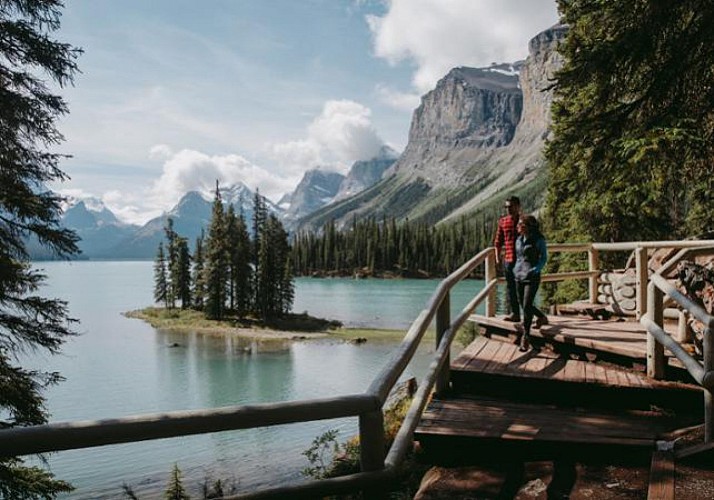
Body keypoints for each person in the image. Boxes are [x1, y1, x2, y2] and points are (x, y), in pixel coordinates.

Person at [514, 214, 549, 351]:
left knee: (527, 304)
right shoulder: (518, 240)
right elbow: (518, 257)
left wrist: (535, 270)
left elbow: (544, 258)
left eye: (520, 224)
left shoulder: (538, 240)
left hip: (532, 276)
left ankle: (526, 337)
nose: (518, 226)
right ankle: (541, 317)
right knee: (523, 303)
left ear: (528, 227)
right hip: (518, 275)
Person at [494, 196, 521, 322]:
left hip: (523, 261)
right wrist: (498, 258)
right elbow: (498, 242)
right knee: (510, 288)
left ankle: (529, 314)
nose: (508, 209)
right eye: (506, 207)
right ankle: (515, 313)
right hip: (509, 260)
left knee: (523, 288)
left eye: (510, 207)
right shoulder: (503, 221)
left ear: (517, 206)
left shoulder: (524, 220)